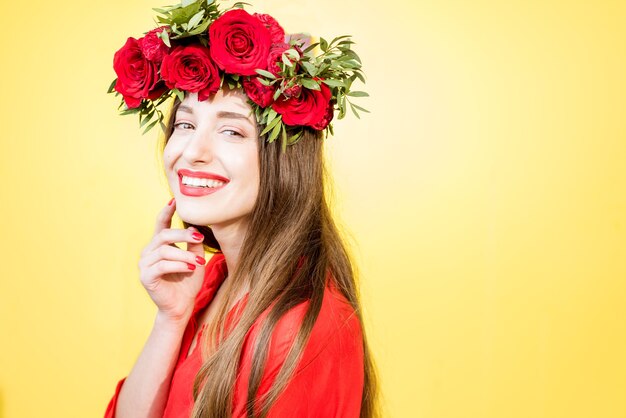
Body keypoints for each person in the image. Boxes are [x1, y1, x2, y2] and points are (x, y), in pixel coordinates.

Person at [105, 1, 377, 417]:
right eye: (185, 123)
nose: (192, 152)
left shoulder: (303, 330)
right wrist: (171, 320)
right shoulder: (211, 282)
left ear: (282, 160)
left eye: (231, 130)